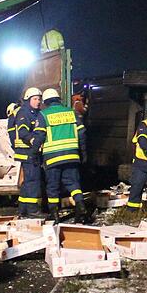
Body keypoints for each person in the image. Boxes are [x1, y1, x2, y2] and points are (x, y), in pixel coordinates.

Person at [39, 88, 89, 223]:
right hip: (72, 156)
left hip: (52, 158)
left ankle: (54, 214)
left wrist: (33, 154)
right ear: (58, 100)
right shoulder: (71, 112)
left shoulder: (43, 115)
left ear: (45, 102)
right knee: (74, 184)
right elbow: (82, 133)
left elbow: (40, 136)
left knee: (52, 187)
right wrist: (83, 153)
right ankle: (81, 207)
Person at [12, 87, 46, 218]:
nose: (38, 102)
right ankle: (33, 211)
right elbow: (22, 132)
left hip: (30, 152)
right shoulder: (24, 113)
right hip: (27, 153)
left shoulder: (36, 113)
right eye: (35, 99)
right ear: (28, 100)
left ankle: (23, 209)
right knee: (33, 181)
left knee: (27, 183)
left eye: (39, 99)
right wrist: (33, 140)